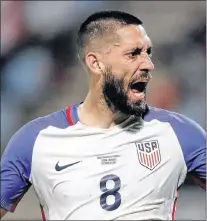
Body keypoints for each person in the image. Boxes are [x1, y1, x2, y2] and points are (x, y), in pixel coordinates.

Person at [0, 10, 206, 220]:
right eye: (133, 54)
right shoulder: (35, 140)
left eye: (147, 54)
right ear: (95, 63)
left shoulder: (181, 134)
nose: (147, 65)